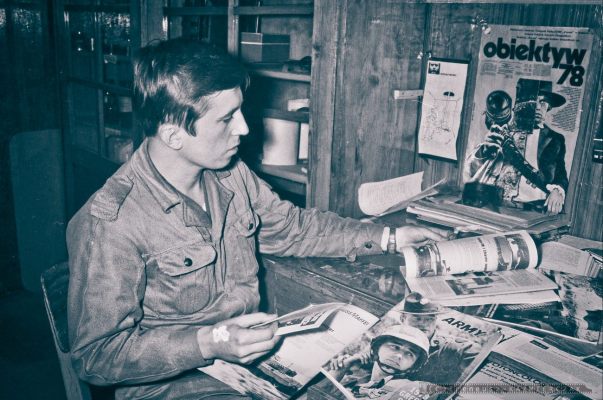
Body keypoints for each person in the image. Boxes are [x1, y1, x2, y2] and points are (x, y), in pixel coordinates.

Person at [66, 38, 446, 399]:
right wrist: (208, 343)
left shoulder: (231, 174)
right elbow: (95, 356)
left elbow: (294, 229)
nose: (244, 128)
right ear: (173, 135)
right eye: (227, 119)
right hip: (175, 386)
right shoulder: (111, 222)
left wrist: (389, 237)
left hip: (252, 366)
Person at [464, 79, 569, 214]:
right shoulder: (502, 129)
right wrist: (483, 152)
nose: (538, 107)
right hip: (495, 204)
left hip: (532, 207)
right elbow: (471, 170)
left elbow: (561, 174)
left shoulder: (555, 139)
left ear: (549, 107)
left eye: (543, 102)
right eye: (534, 101)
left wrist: (558, 190)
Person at [328, 325, 436, 399]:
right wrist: (341, 369)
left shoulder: (408, 390)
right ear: (377, 348)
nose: (399, 356)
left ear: (414, 365)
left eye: (409, 354)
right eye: (394, 347)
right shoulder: (356, 379)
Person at [398, 292, 478, 386]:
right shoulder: (390, 344)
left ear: (435, 319)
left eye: (430, 318)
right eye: (417, 318)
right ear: (403, 318)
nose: (424, 324)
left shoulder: (456, 348)